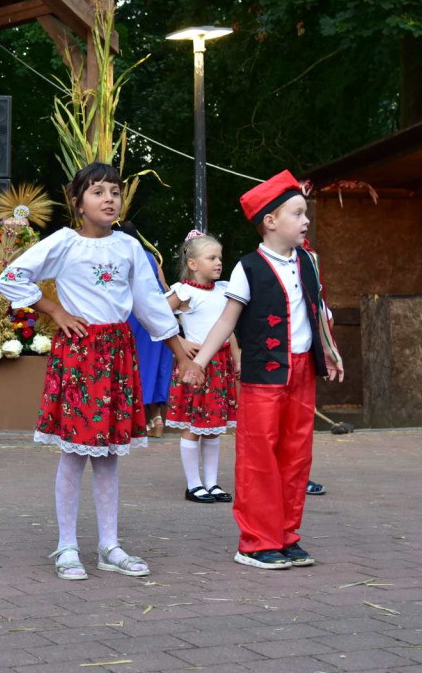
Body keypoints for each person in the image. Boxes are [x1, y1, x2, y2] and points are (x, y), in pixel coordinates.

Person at [0, 162, 197, 580]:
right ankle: (66, 545)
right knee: (73, 452)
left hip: (117, 355)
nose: (109, 199)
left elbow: (151, 304)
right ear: (77, 201)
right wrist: (54, 309)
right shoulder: (64, 243)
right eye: (98, 191)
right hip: (78, 353)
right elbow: (11, 278)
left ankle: (109, 545)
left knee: (108, 456)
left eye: (115, 192)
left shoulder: (128, 248)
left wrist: (182, 355)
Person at [179, 170, 343, 570]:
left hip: (302, 370)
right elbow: (225, 321)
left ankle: (286, 537)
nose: (306, 221)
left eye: (304, 213)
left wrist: (332, 351)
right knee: (259, 457)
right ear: (270, 221)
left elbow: (318, 311)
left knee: (296, 455)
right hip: (263, 375)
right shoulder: (247, 268)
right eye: (297, 213)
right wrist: (198, 361)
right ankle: (255, 542)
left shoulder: (309, 261)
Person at [164, 230, 239, 504]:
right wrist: (180, 342)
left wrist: (237, 356)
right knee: (194, 425)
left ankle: (212, 483)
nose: (219, 262)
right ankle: (193, 484)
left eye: (220, 257)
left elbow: (228, 328)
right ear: (193, 263)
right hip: (196, 368)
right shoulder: (182, 292)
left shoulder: (225, 290)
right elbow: (156, 316)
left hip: (221, 366)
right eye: (212, 257)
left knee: (214, 426)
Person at [122, 222, 173, 438]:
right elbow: (166, 288)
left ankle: (138, 422)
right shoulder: (151, 258)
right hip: (158, 317)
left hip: (134, 317)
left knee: (135, 366)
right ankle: (157, 419)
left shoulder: (121, 257)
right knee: (154, 367)